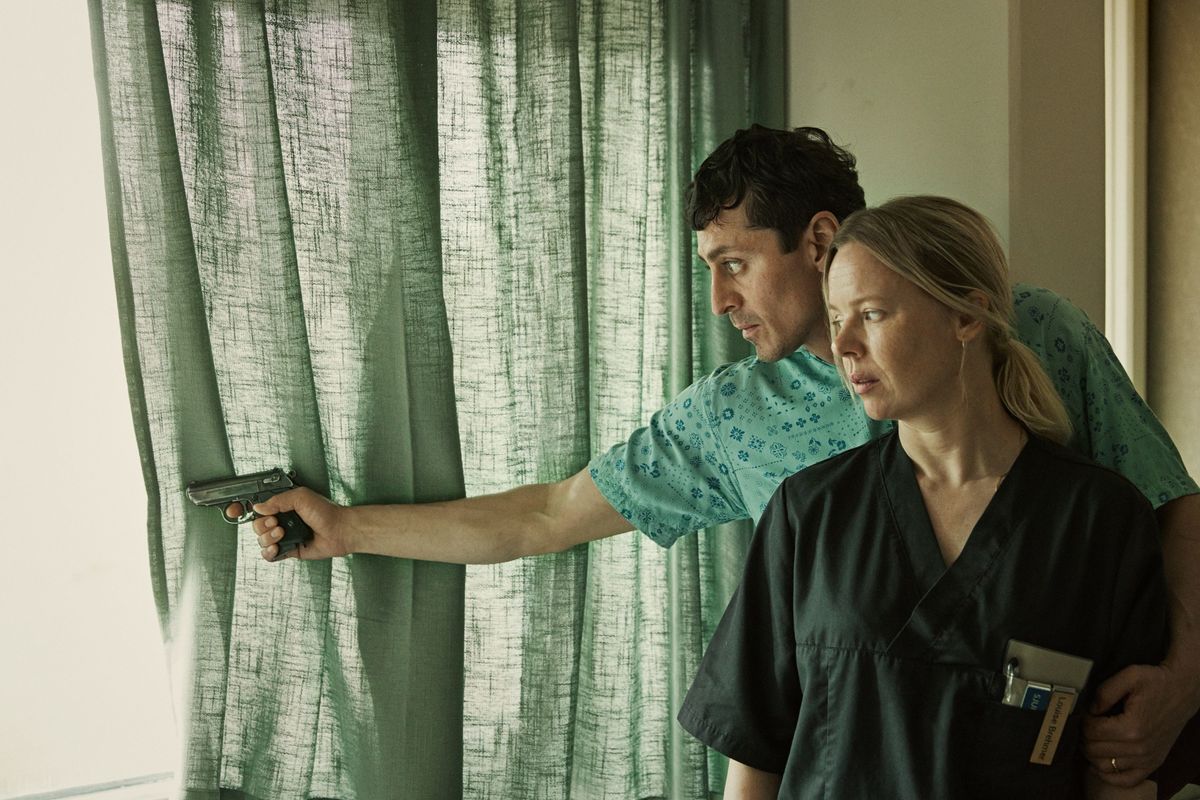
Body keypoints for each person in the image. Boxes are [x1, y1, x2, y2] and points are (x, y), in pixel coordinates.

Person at [244, 126, 1200, 794]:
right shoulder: (734, 418)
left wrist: (1187, 675)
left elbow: (1170, 509)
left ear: (818, 240)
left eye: (732, 263)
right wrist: (347, 528)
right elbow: (545, 516)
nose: (719, 301)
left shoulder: (1028, 329)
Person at [677, 195, 1166, 799]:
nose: (844, 344)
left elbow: (1119, 774)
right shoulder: (809, 513)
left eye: (872, 314)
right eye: (836, 317)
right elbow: (754, 759)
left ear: (967, 316)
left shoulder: (1099, 521)